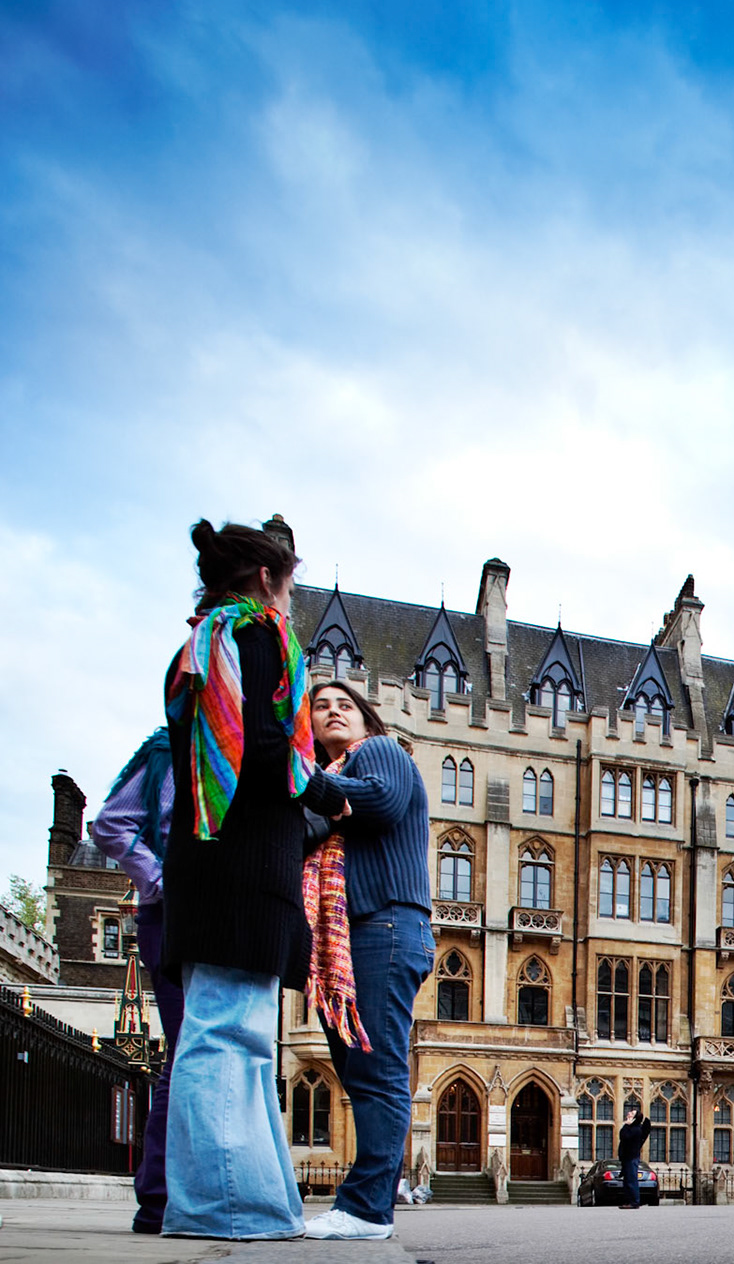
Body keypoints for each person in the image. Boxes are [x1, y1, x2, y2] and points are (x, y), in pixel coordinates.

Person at [161, 519, 349, 1240]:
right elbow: (270, 751)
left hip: (207, 864)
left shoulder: (195, 645)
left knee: (226, 1037)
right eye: (291, 584)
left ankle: (245, 1203)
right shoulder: (256, 634)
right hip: (240, 870)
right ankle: (226, 1206)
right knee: (228, 1038)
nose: (291, 599)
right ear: (270, 579)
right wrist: (334, 797)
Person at [299, 681, 434, 1241]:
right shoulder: (332, 783)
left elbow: (378, 803)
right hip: (348, 940)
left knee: (376, 1073)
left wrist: (304, 780)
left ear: (365, 718)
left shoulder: (379, 752)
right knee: (359, 1071)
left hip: (386, 924)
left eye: (344, 705)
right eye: (320, 707)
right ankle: (361, 1205)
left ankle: (368, 1209)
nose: (332, 712)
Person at [90, 728, 180, 1234]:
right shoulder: (172, 750)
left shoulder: (244, 751)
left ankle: (169, 1196)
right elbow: (111, 824)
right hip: (170, 916)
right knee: (188, 1051)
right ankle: (158, 1199)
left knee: (196, 1052)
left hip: (220, 920)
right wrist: (159, 878)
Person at [617, 1107, 653, 1209]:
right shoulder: (632, 1128)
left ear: (635, 1118)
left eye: (632, 1114)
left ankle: (634, 1202)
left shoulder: (636, 1129)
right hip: (627, 1157)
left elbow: (624, 1136)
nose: (628, 1114)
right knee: (627, 1181)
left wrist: (626, 1125)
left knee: (631, 1180)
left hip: (631, 1158)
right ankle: (629, 1201)